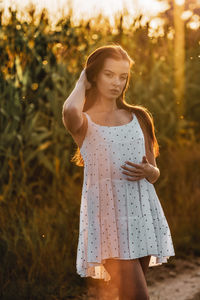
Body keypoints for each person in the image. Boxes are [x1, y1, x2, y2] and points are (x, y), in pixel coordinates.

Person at [62, 44, 175, 300]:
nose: (117, 83)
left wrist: (149, 170)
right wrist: (83, 78)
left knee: (129, 295)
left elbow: (155, 173)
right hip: (108, 223)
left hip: (142, 216)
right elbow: (69, 110)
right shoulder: (84, 121)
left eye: (123, 77)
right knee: (137, 296)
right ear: (94, 76)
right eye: (108, 74)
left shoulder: (138, 116)